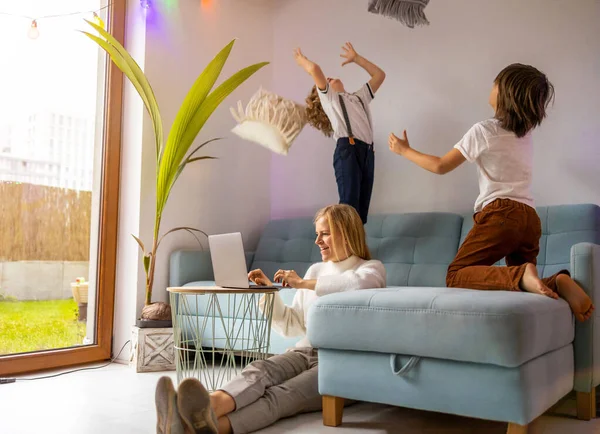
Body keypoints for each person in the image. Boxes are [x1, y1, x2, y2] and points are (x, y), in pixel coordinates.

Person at [388, 62, 594, 323]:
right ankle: (556, 281)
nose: (491, 87)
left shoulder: (484, 130)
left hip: (501, 214)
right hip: (530, 218)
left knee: (457, 274)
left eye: (495, 83)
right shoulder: (525, 134)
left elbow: (440, 166)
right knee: (525, 293)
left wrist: (405, 150)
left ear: (505, 93)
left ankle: (521, 275)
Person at [155, 204, 386, 434]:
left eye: (324, 233)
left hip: (339, 363)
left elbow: (357, 285)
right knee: (259, 370)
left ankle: (188, 428)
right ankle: (203, 408)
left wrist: (302, 284)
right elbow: (292, 324)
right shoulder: (316, 270)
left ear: (346, 233)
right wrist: (270, 293)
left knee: (282, 395)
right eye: (317, 234)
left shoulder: (370, 269)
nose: (318, 241)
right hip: (304, 351)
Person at [294, 42, 386, 224]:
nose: (329, 78)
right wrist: (302, 61)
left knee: (360, 215)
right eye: (326, 81)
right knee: (348, 208)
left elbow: (379, 75)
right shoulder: (330, 100)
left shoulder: (359, 98)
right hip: (348, 151)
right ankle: (342, 249)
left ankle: (356, 249)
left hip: (367, 153)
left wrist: (357, 59)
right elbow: (315, 69)